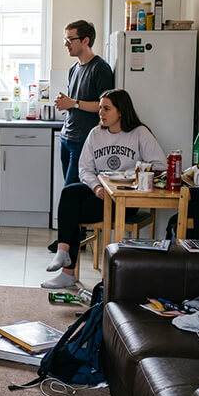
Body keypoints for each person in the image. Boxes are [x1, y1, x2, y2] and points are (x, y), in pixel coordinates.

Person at [41, 89, 166, 289]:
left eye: (106, 109)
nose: (101, 113)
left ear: (121, 112)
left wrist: (136, 175)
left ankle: (67, 270)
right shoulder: (96, 134)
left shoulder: (139, 133)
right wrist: (97, 186)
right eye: (100, 108)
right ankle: (63, 253)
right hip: (101, 195)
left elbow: (161, 165)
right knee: (69, 193)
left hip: (126, 199)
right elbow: (85, 169)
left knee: (71, 213)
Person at [49, 20, 115, 253]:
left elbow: (103, 106)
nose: (66, 44)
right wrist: (66, 104)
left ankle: (67, 243)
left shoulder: (101, 68)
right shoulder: (74, 68)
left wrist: (73, 103)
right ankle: (73, 237)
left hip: (84, 142)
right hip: (68, 136)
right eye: (65, 39)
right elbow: (76, 104)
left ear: (85, 41)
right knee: (72, 191)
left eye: (70, 39)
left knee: (71, 191)